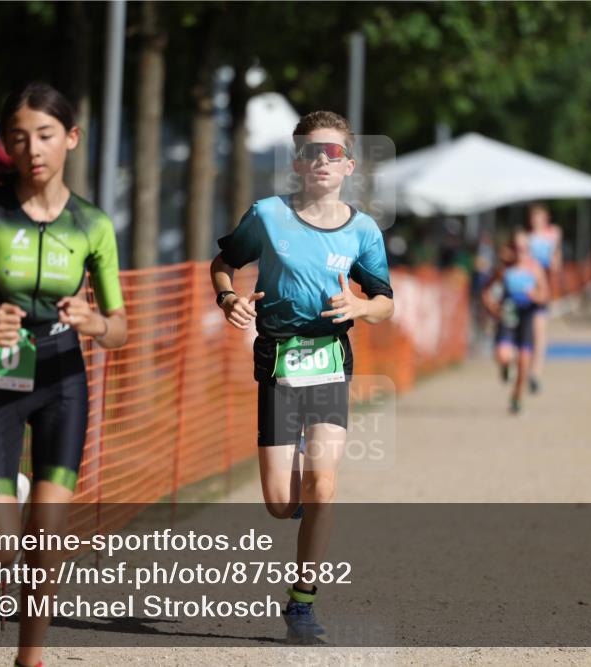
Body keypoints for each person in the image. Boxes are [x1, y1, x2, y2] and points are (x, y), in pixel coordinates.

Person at [0, 82, 127, 667]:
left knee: (47, 539)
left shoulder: (94, 224)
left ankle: (29, 658)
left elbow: (121, 329)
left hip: (64, 378)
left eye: (45, 135)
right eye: (19, 137)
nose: (33, 148)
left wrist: (92, 321)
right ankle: (11, 494)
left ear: (71, 138)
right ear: (7, 146)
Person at [210, 110, 394, 641]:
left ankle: (302, 603)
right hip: (276, 359)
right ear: (297, 161)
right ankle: (301, 511)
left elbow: (385, 302)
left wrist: (360, 307)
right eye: (311, 150)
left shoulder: (363, 230)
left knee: (323, 482)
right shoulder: (267, 215)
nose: (321, 159)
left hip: (331, 360)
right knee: (279, 501)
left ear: (349, 165)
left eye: (332, 152)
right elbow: (222, 264)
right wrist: (228, 298)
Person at [482, 230, 550, 414]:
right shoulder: (505, 269)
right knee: (503, 355)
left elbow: (545, 295)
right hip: (508, 315)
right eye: (517, 248)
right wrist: (493, 308)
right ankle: (505, 367)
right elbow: (486, 291)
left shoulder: (535, 269)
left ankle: (516, 398)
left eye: (524, 248)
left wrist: (535, 295)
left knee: (523, 364)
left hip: (527, 316)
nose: (521, 252)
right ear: (512, 249)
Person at [526, 203, 561, 394]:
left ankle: (535, 374)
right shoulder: (526, 239)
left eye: (539, 216)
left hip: (542, 292)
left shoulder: (552, 235)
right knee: (526, 334)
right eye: (533, 217)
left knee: (540, 334)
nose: (535, 220)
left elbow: (556, 263)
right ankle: (523, 367)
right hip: (524, 291)